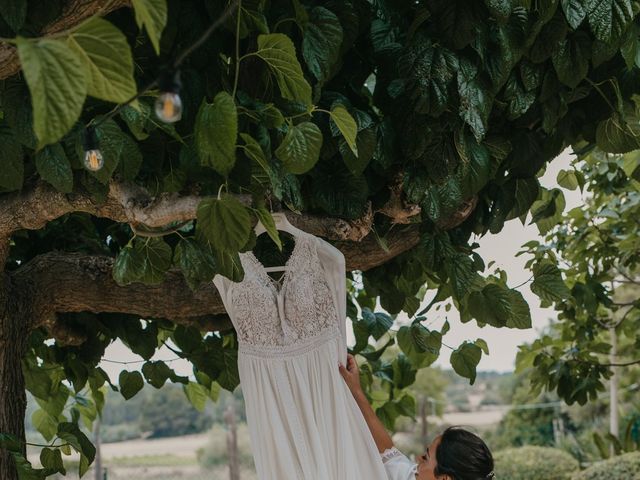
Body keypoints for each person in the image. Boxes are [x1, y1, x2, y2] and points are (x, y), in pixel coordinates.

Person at [339, 354, 495, 480]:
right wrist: (356, 390)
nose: (419, 459)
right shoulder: (413, 476)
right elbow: (388, 451)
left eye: (426, 458)